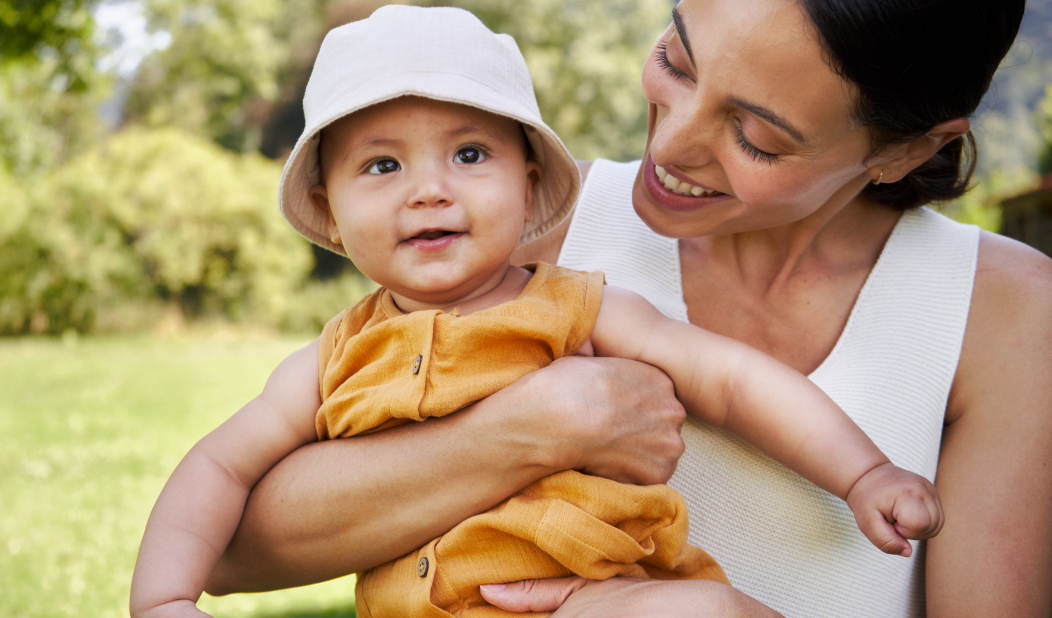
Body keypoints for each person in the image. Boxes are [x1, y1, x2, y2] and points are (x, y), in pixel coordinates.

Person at [205, 0, 1052, 616]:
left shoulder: (1006, 312)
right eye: (677, 61)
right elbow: (237, 547)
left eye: (756, 136)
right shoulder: (511, 232)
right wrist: (526, 431)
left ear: (907, 149)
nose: (672, 145)